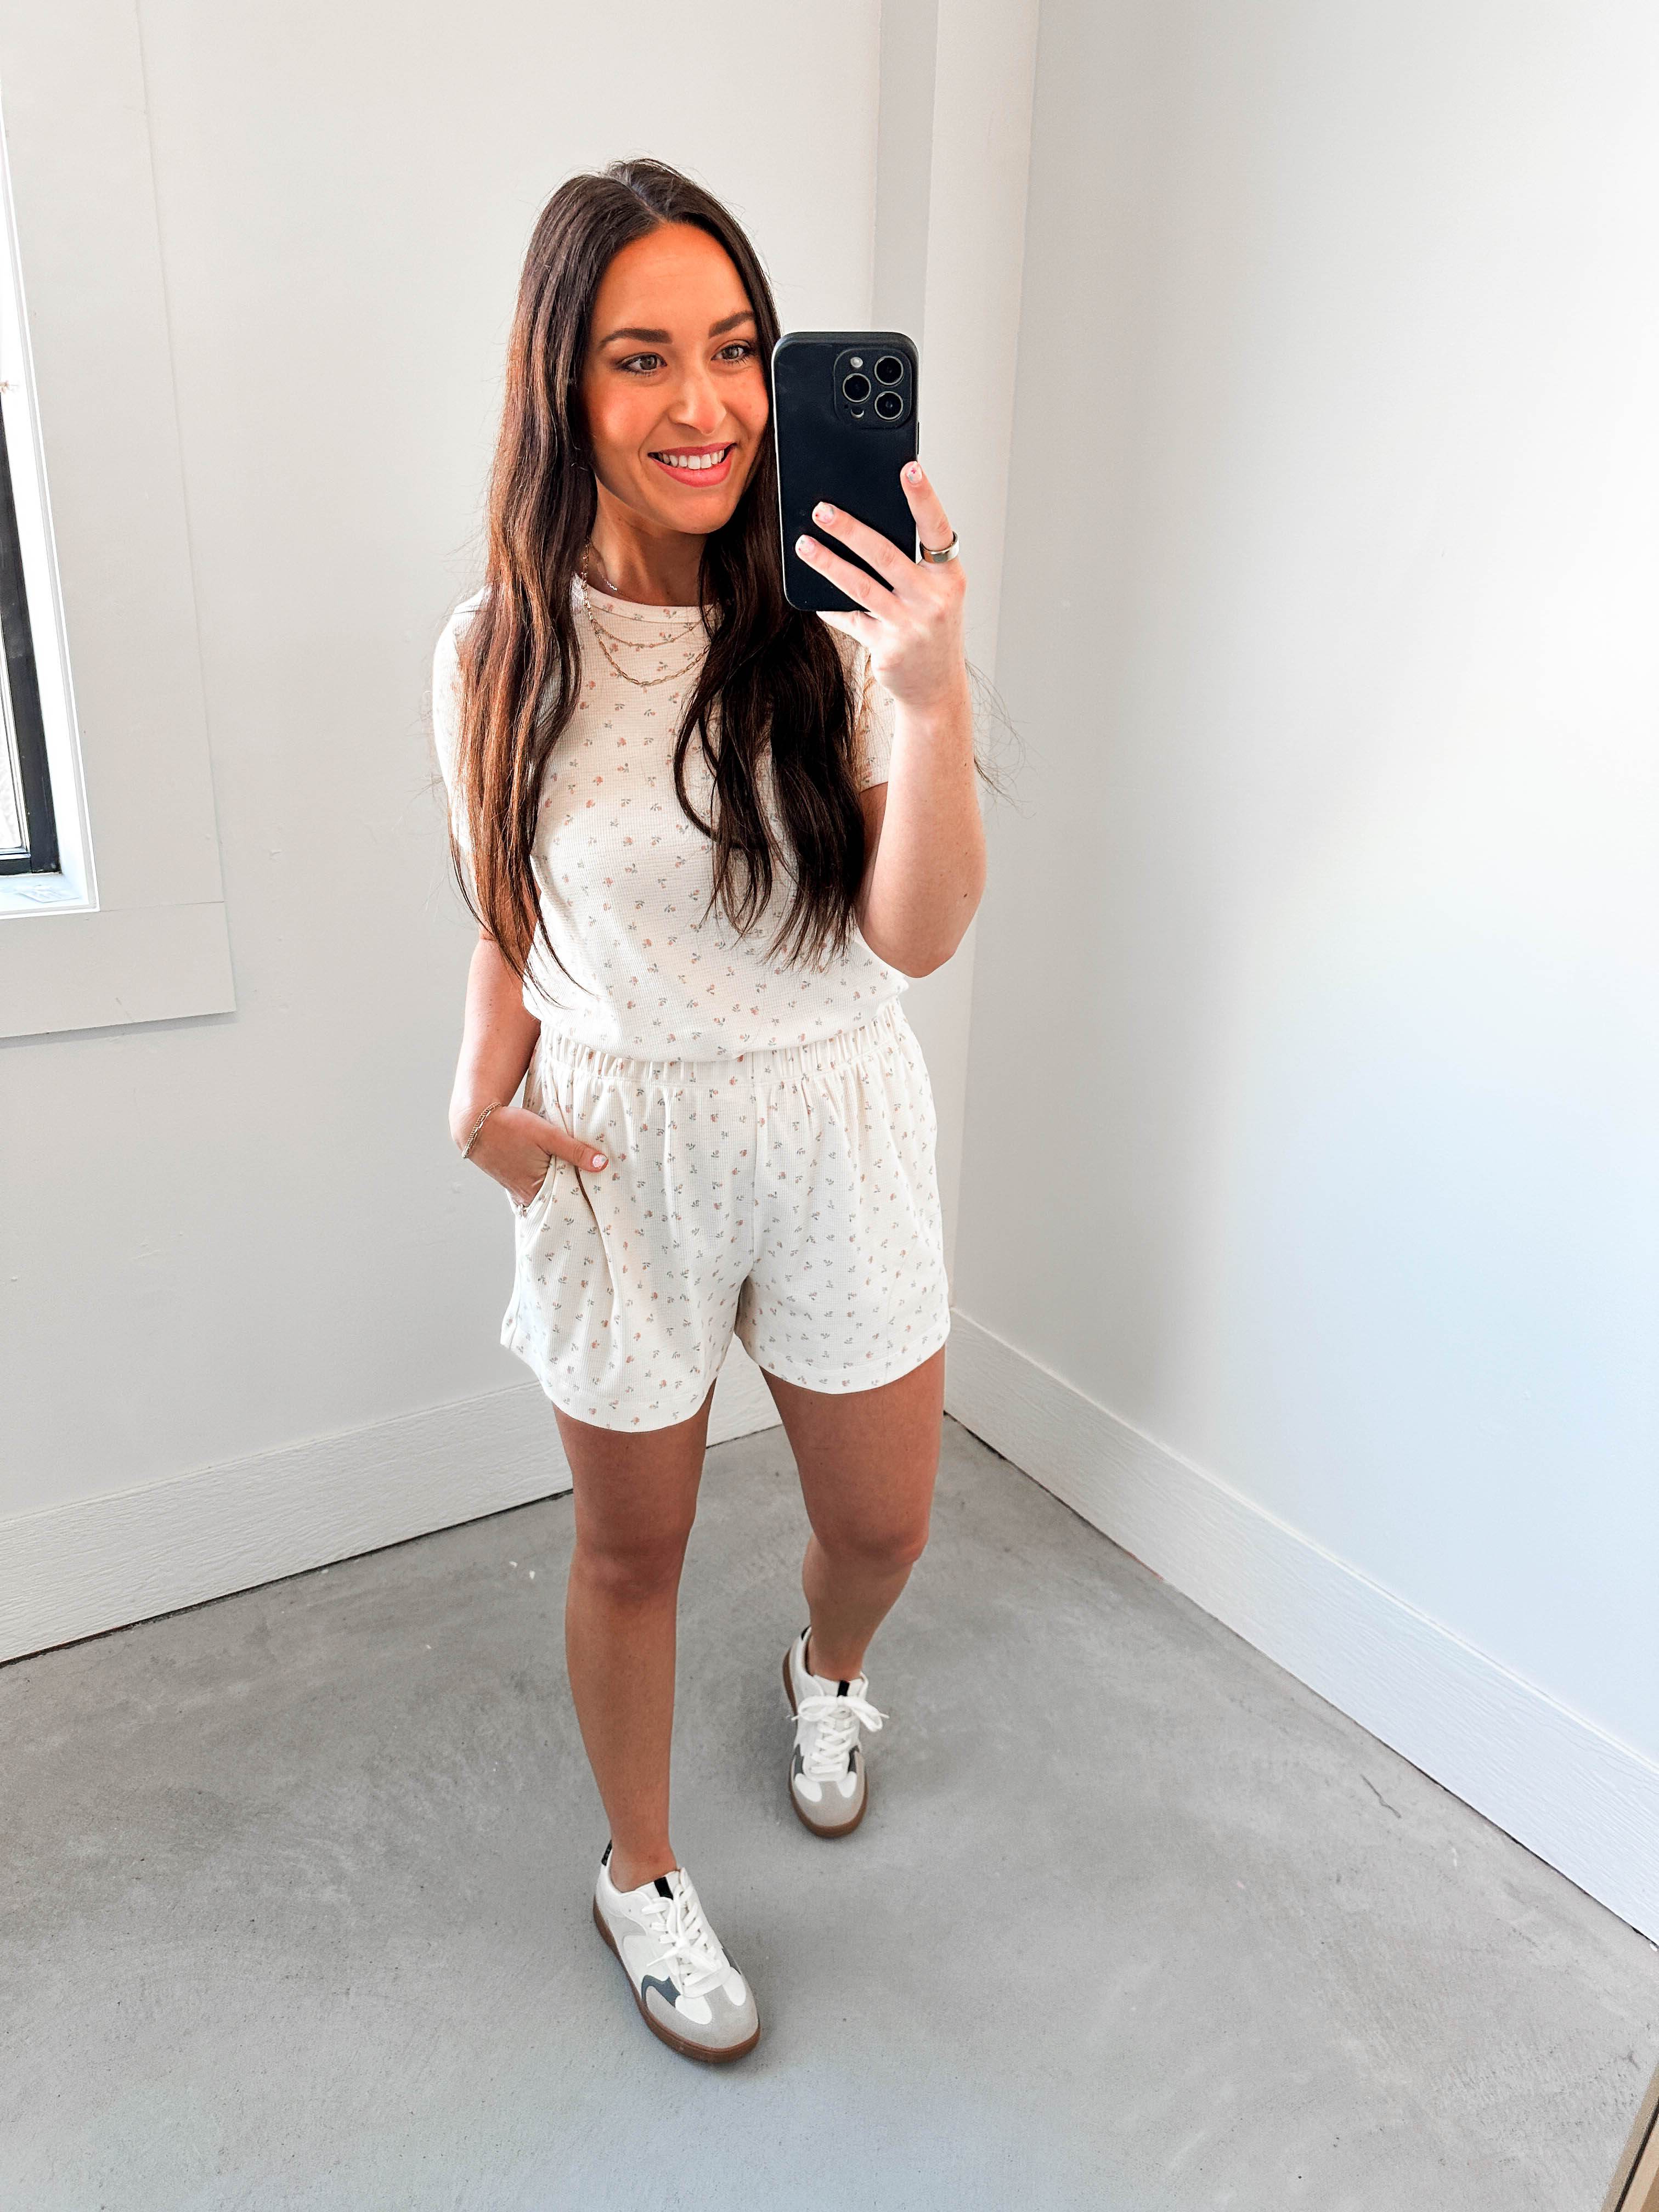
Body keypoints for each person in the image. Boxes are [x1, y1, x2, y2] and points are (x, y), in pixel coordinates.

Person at [433, 159, 983, 2064]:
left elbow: (915, 934)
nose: (707, 404)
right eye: (642, 356)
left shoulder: (840, 621)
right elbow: (505, 904)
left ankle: (826, 1665)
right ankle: (641, 1870)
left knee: (885, 1523)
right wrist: (475, 1092)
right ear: (562, 386)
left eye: (738, 349)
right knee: (630, 1552)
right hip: (620, 1149)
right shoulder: (495, 650)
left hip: (833, 1118)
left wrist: (930, 700)